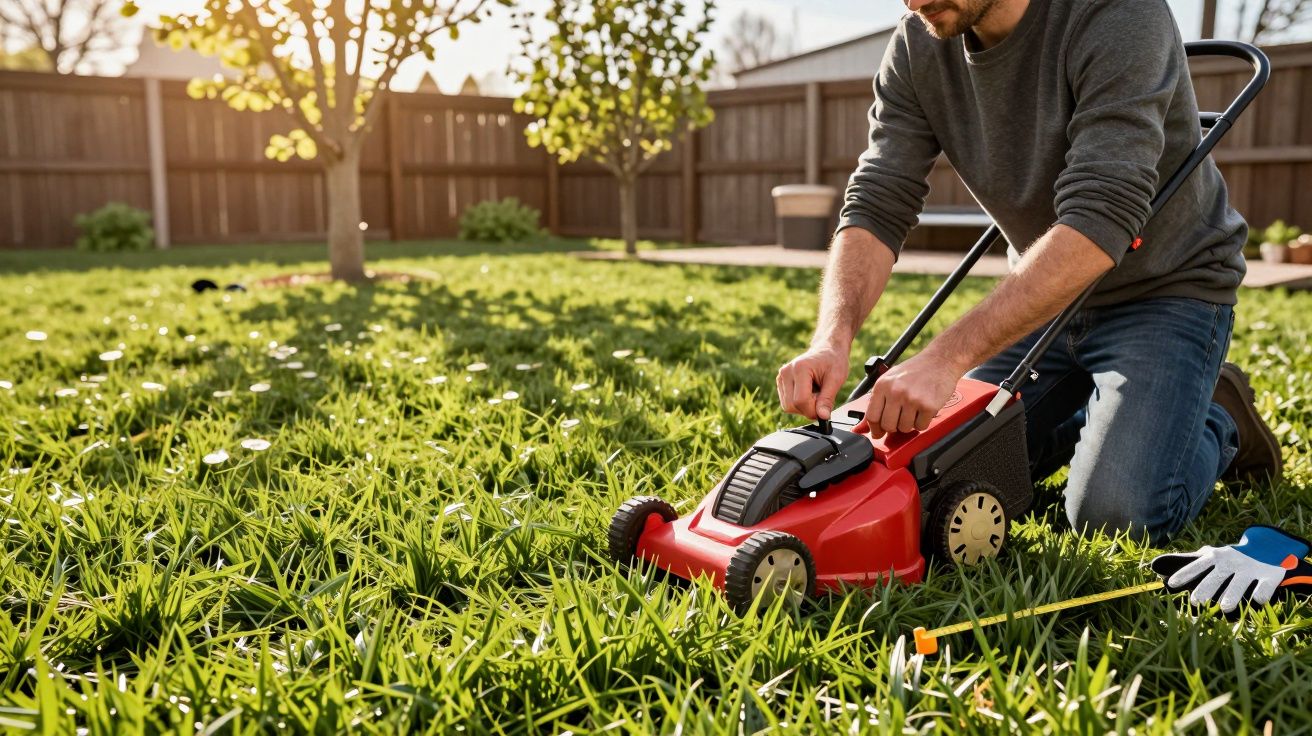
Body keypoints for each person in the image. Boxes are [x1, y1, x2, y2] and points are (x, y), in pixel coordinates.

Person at [775, 0, 1282, 545]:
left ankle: (1218, 416)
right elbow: (879, 197)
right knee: (932, 472)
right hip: (1044, 305)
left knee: (1113, 515)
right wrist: (831, 338)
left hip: (1166, 291)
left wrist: (945, 359)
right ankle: (1105, 413)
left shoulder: (1119, 14)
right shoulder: (919, 41)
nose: (915, 2)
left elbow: (1101, 216)